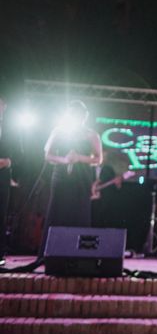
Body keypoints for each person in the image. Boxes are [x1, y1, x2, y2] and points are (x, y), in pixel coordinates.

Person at [39, 100, 103, 256]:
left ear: (85, 116)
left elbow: (98, 159)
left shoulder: (91, 134)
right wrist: (65, 160)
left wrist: (80, 158)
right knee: (57, 211)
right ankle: (49, 253)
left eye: (81, 115)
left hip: (82, 178)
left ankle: (78, 253)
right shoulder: (59, 131)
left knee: (79, 214)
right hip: (60, 176)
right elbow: (47, 155)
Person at [0, 97, 17, 266]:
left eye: (3, 104)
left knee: (1, 213)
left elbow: (18, 152)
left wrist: (9, 162)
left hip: (3, 175)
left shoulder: (10, 129)